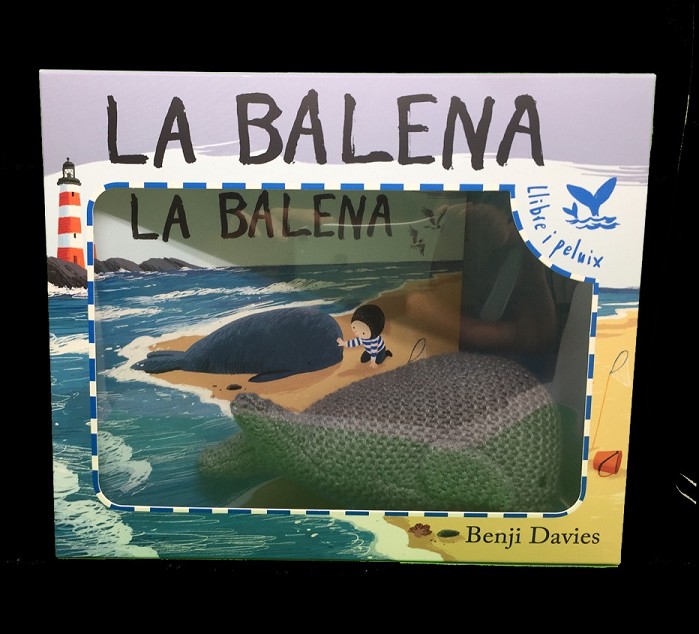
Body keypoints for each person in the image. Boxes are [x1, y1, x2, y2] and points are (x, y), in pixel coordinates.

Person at [337, 304, 393, 369]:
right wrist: (344, 343)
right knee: (363, 360)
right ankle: (369, 353)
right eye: (354, 328)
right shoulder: (363, 337)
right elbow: (355, 342)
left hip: (379, 350)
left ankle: (386, 353)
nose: (356, 333)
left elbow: (374, 351)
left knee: (378, 361)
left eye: (363, 333)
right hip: (369, 350)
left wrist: (373, 362)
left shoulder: (374, 340)